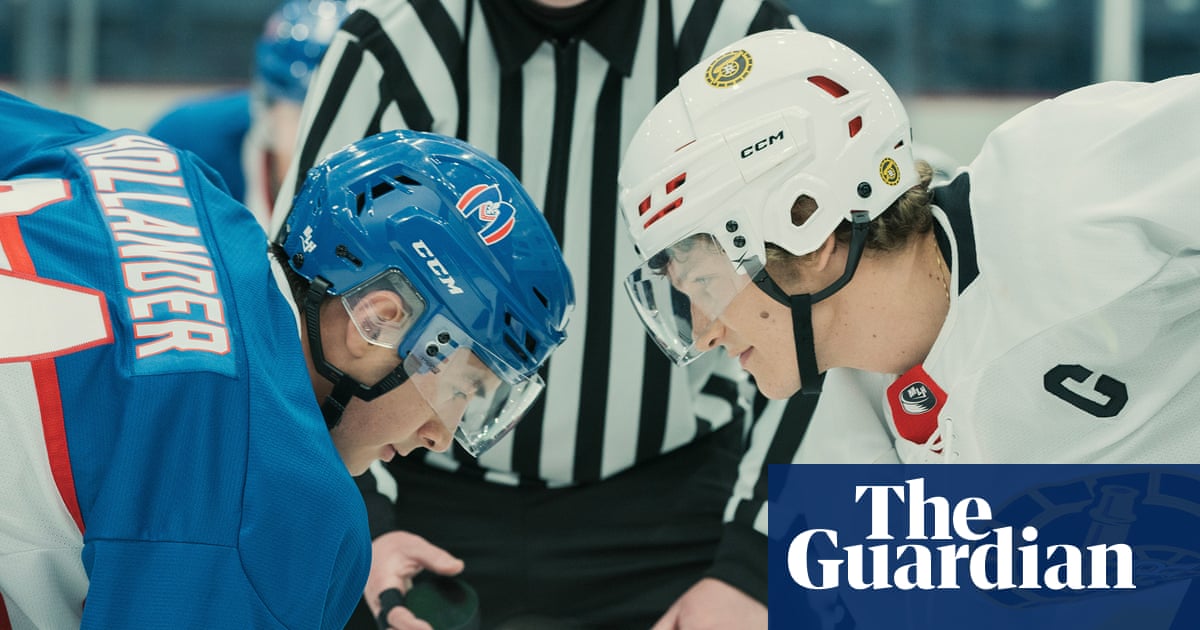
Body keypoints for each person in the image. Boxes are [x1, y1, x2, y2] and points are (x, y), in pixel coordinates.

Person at [275, 1, 814, 628]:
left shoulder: (739, 40)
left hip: (680, 513)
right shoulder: (394, 38)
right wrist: (363, 522)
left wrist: (755, 563)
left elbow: (827, 316)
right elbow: (301, 298)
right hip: (421, 497)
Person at [0, 89, 573, 628]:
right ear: (375, 322)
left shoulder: (171, 172)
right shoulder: (281, 507)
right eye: (459, 389)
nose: (440, 436)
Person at [616, 28, 1200, 464]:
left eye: (707, 285)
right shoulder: (850, 399)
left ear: (808, 225)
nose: (703, 333)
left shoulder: (1058, 187)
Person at [149, 0, 354, 226]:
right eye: (316, 122)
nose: (333, 148)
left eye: (351, 123)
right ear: (268, 111)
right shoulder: (186, 147)